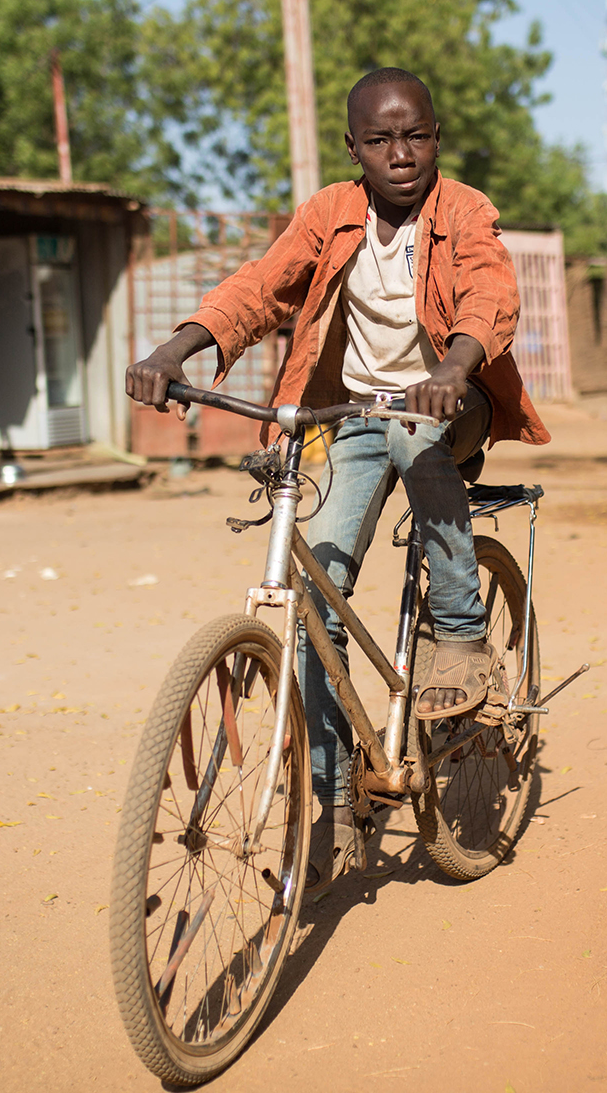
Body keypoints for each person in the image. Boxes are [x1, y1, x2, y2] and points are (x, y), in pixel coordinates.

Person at [126, 67, 550, 892]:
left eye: (416, 135)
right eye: (381, 139)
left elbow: (489, 296)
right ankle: (331, 806)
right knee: (316, 613)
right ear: (353, 147)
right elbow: (260, 287)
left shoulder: (463, 211)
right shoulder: (329, 213)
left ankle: (460, 635)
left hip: (444, 402)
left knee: (424, 439)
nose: (401, 153)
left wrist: (455, 368)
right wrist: (174, 351)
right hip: (352, 417)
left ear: (437, 138)